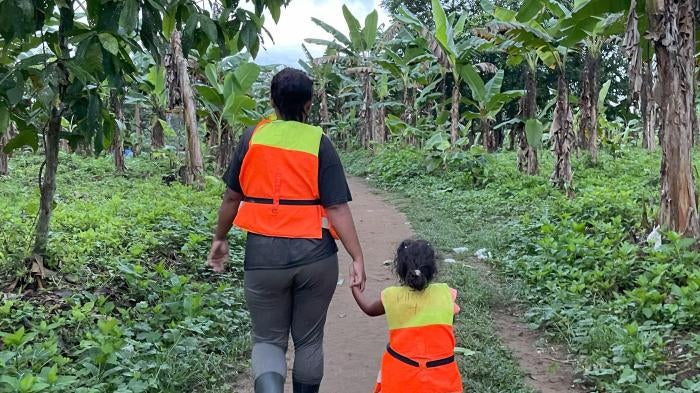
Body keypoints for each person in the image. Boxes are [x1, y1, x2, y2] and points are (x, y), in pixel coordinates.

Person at [207, 67, 366, 393]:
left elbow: (231, 197)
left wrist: (220, 238)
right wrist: (357, 256)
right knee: (309, 341)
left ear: (272, 100)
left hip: (264, 257)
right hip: (316, 256)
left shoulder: (253, 138)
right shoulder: (319, 142)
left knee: (268, 340)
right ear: (309, 104)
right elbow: (336, 208)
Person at [351, 239, 463, 393]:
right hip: (442, 373)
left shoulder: (392, 296)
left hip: (401, 373)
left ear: (400, 269)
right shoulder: (446, 293)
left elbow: (369, 309)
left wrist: (355, 288)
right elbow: (452, 317)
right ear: (433, 269)